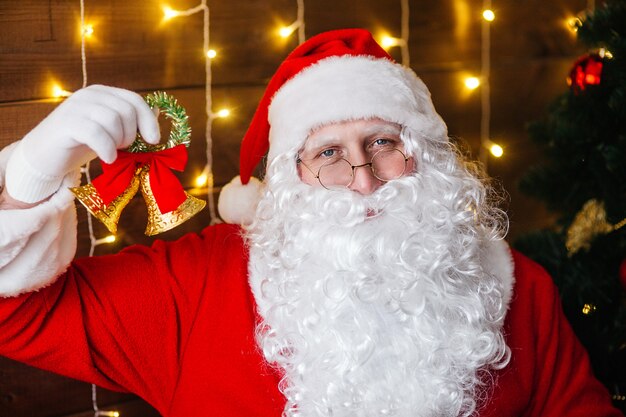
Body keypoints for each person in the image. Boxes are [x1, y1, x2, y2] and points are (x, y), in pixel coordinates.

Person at [0, 29, 621, 417]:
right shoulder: (195, 284)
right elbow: (19, 315)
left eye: (383, 141)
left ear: (424, 155)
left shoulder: (516, 287)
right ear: (290, 176)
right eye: (328, 153)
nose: (363, 177)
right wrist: (27, 180)